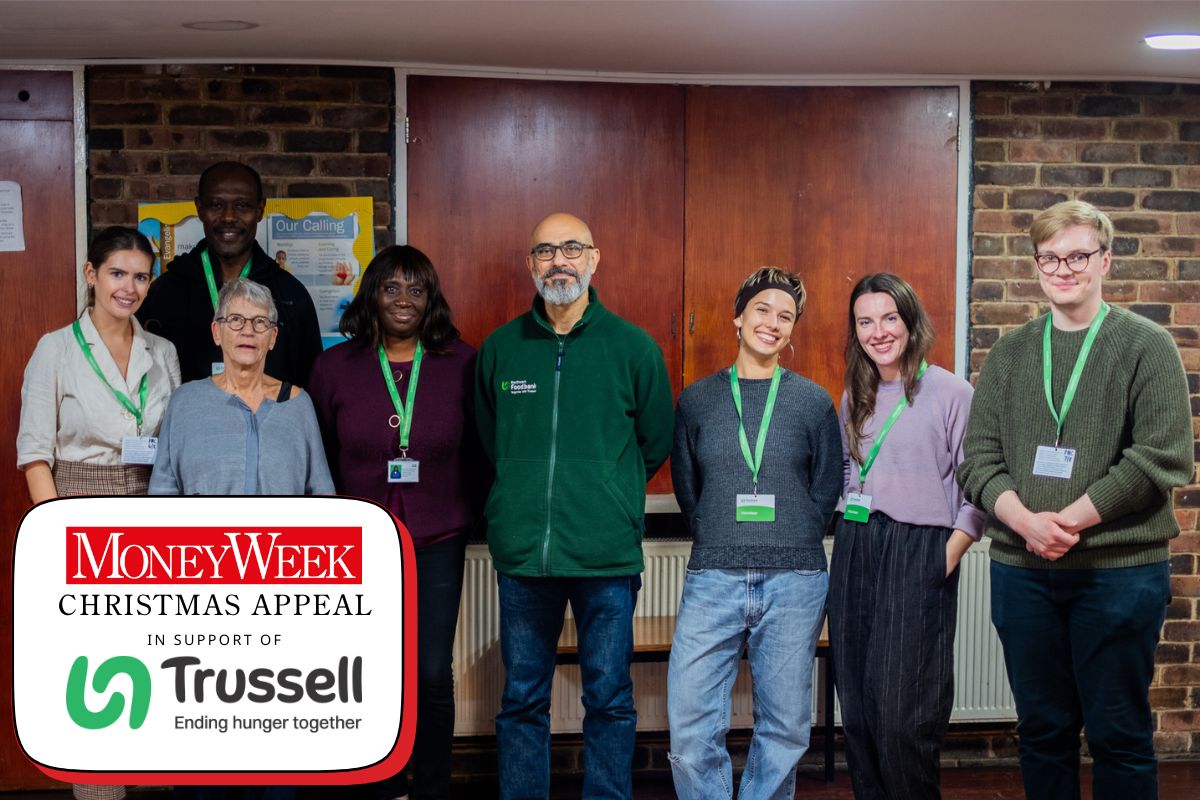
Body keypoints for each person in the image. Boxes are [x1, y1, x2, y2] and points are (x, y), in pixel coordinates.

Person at [957, 201, 1193, 800]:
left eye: (1078, 255)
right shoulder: (1009, 354)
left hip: (1119, 574)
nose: (1063, 268)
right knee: (1042, 731)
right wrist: (1024, 523)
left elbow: (1161, 458)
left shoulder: (1147, 345)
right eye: (1049, 257)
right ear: (1036, 264)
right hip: (1023, 574)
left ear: (1105, 261)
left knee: (1119, 733)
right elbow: (978, 462)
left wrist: (1068, 520)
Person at [475, 212, 674, 799]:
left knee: (609, 698)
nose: (557, 261)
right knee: (522, 699)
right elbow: (493, 442)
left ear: (594, 257)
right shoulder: (501, 350)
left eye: (569, 248)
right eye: (544, 251)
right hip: (523, 556)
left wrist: (604, 492)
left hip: (605, 556)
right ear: (529, 264)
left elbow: (654, 441)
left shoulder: (634, 348)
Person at [309, 244, 486, 800]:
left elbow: (482, 449)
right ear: (371, 296)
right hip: (360, 543)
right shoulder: (334, 366)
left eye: (416, 289)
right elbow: (320, 452)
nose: (404, 300)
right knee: (370, 669)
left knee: (432, 672)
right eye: (391, 288)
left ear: (431, 298)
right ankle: (377, 783)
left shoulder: (462, 362)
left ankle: (430, 787)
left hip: (437, 538)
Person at [17, 226, 180, 800]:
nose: (129, 287)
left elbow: (174, 444)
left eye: (140, 276)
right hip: (79, 514)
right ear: (91, 275)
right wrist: (60, 536)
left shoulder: (163, 352)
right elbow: (35, 454)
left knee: (155, 665)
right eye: (117, 273)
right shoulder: (55, 348)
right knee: (97, 669)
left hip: (152, 512)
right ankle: (98, 792)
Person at [667, 267, 841, 800]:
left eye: (785, 316)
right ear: (738, 316)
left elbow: (827, 485)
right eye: (762, 309)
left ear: (793, 330)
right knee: (692, 725)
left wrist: (794, 533)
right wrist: (722, 534)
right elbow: (687, 486)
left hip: (796, 580)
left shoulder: (814, 403)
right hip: (713, 575)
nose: (773, 322)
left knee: (785, 727)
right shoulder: (697, 401)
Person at [827, 273, 984, 800]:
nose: (878, 332)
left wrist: (947, 554)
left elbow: (978, 487)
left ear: (911, 321)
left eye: (889, 317)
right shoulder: (857, 394)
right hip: (857, 545)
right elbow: (853, 473)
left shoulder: (952, 392)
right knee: (861, 712)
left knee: (903, 717)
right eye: (865, 321)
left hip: (920, 548)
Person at [137, 161, 322, 386]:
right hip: (185, 420)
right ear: (199, 208)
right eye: (216, 205)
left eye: (242, 206)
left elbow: (310, 389)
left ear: (260, 209)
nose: (228, 217)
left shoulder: (290, 296)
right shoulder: (164, 293)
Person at [149, 278, 332, 496]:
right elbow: (162, 492)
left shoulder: (297, 405)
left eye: (260, 322)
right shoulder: (185, 402)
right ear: (217, 332)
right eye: (236, 319)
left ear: (273, 337)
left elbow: (322, 495)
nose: (248, 331)